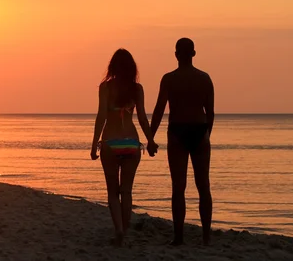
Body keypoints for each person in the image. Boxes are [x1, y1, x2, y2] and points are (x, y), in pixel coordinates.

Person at [90, 48, 158, 246]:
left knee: (113, 192)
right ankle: (126, 231)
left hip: (110, 143)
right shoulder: (137, 89)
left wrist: (94, 144)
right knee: (126, 191)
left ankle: (118, 230)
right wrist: (151, 140)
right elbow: (143, 118)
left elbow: (101, 116)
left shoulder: (106, 87)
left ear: (112, 67)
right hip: (131, 143)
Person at [150, 38, 215, 245]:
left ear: (177, 54)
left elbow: (160, 109)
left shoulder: (169, 79)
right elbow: (210, 112)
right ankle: (206, 237)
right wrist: (207, 135)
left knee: (179, 187)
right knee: (203, 185)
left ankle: (179, 237)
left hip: (178, 131)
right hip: (199, 129)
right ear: (193, 54)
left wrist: (150, 137)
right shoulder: (204, 78)